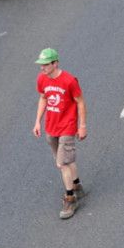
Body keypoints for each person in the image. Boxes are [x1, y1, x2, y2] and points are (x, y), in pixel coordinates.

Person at [32, 48, 88, 219]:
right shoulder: (42, 79)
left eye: (45, 64)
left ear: (55, 63)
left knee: (62, 164)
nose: (42, 68)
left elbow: (80, 102)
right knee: (67, 161)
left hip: (67, 127)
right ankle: (77, 186)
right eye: (40, 64)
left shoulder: (69, 81)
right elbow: (43, 98)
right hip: (51, 127)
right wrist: (37, 122)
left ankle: (70, 199)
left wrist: (82, 125)